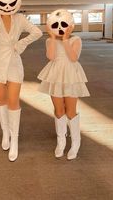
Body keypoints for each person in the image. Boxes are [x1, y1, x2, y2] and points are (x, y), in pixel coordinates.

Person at [0, 0, 42, 162]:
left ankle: (15, 140)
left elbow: (37, 32)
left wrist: (21, 44)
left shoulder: (19, 18)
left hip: (14, 63)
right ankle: (5, 134)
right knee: (1, 100)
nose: (7, 6)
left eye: (10, 3)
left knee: (13, 101)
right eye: (3, 3)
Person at [38, 9, 90, 160]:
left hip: (71, 76)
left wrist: (66, 38)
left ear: (70, 25)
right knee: (59, 110)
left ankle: (75, 143)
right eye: (56, 25)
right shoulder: (49, 40)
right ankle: (61, 141)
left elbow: (73, 58)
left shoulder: (76, 40)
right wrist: (53, 37)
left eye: (64, 25)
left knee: (71, 110)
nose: (60, 28)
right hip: (55, 75)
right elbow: (51, 56)